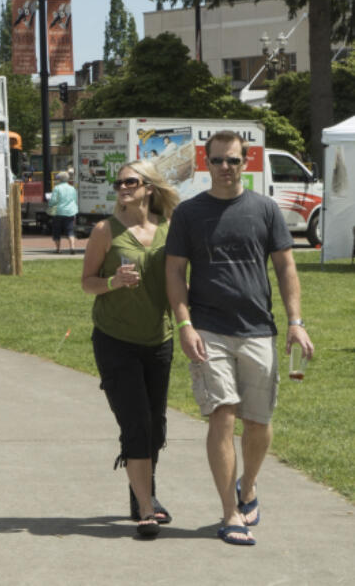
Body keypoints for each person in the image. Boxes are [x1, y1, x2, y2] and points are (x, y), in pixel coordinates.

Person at [165, 130, 315, 548]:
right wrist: (184, 324)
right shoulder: (189, 214)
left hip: (258, 330)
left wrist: (296, 322)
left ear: (245, 162)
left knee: (258, 421)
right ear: (205, 162)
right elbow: (175, 272)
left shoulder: (265, 209)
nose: (225, 168)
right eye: (217, 160)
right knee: (223, 414)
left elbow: (286, 268)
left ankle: (247, 486)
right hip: (209, 329)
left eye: (232, 160)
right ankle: (230, 513)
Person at [81, 160, 178, 539]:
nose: (123, 187)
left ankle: (141, 495)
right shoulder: (105, 231)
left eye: (130, 182)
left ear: (148, 187)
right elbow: (87, 283)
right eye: (119, 182)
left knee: (155, 426)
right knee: (135, 422)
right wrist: (113, 282)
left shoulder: (169, 230)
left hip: (159, 340)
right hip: (115, 340)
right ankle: (147, 508)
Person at [49, 171, 79, 254]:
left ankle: (58, 249)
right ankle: (72, 247)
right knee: (70, 230)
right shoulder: (72, 188)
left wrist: (50, 205)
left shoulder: (57, 188)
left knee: (57, 231)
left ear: (59, 180)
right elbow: (75, 200)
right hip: (70, 212)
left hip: (58, 212)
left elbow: (53, 200)